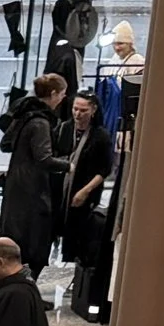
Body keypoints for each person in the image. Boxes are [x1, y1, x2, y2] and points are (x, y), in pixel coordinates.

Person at [0, 73, 71, 273]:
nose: (63, 98)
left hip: (15, 183)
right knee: (33, 240)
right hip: (32, 189)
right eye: (62, 94)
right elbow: (44, 159)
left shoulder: (24, 112)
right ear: (53, 93)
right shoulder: (41, 122)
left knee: (14, 235)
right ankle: (25, 282)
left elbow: (5, 144)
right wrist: (68, 165)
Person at [62, 88, 115, 267]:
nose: (77, 114)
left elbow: (105, 169)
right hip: (63, 190)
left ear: (93, 110)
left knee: (81, 233)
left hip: (86, 191)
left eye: (83, 110)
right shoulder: (65, 129)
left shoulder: (101, 136)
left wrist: (85, 191)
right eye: (75, 109)